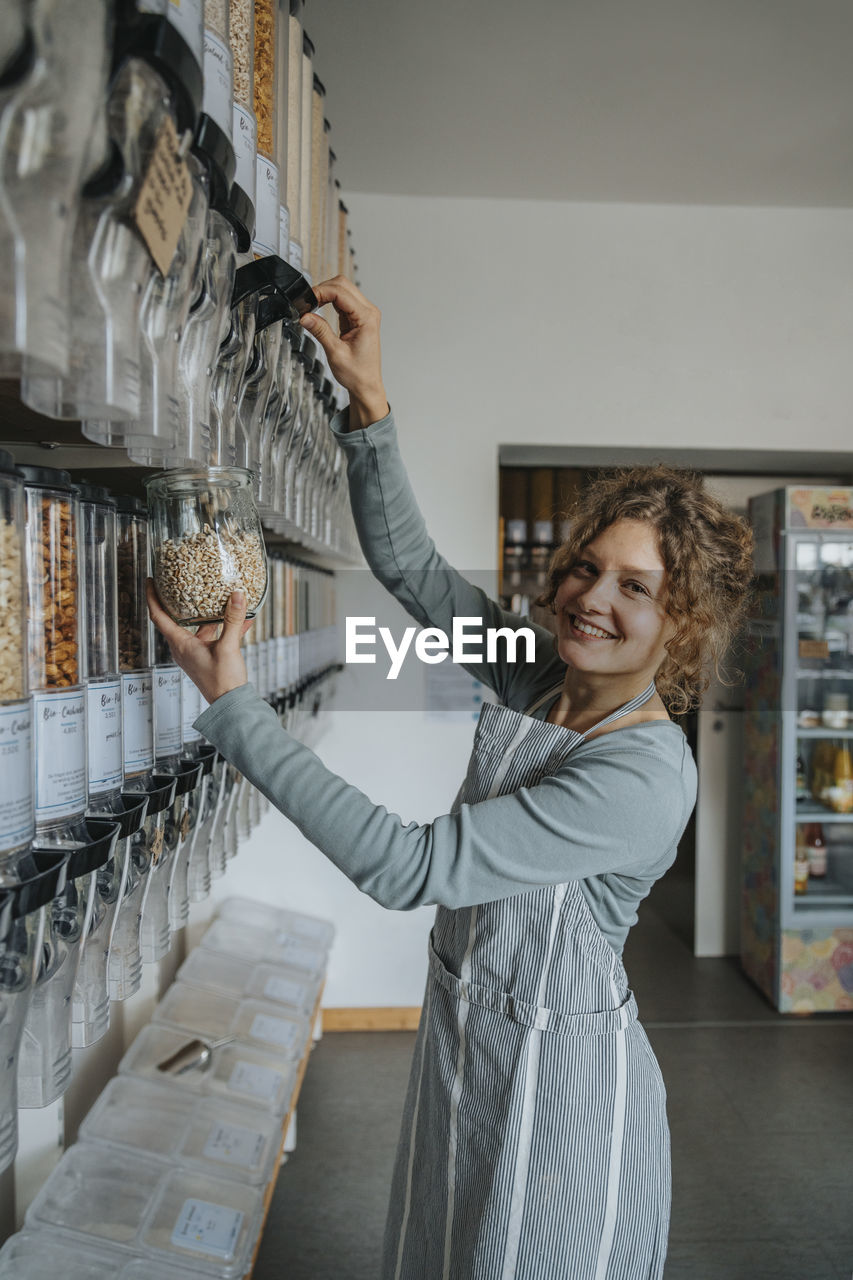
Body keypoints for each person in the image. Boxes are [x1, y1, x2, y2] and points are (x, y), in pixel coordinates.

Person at [147, 278, 754, 1280]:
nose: (590, 597)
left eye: (634, 587)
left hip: (561, 1080)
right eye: (585, 566)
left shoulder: (642, 771)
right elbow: (414, 569)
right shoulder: (538, 670)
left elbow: (407, 864)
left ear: (682, 622)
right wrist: (370, 408)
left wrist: (235, 709)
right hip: (468, 1035)